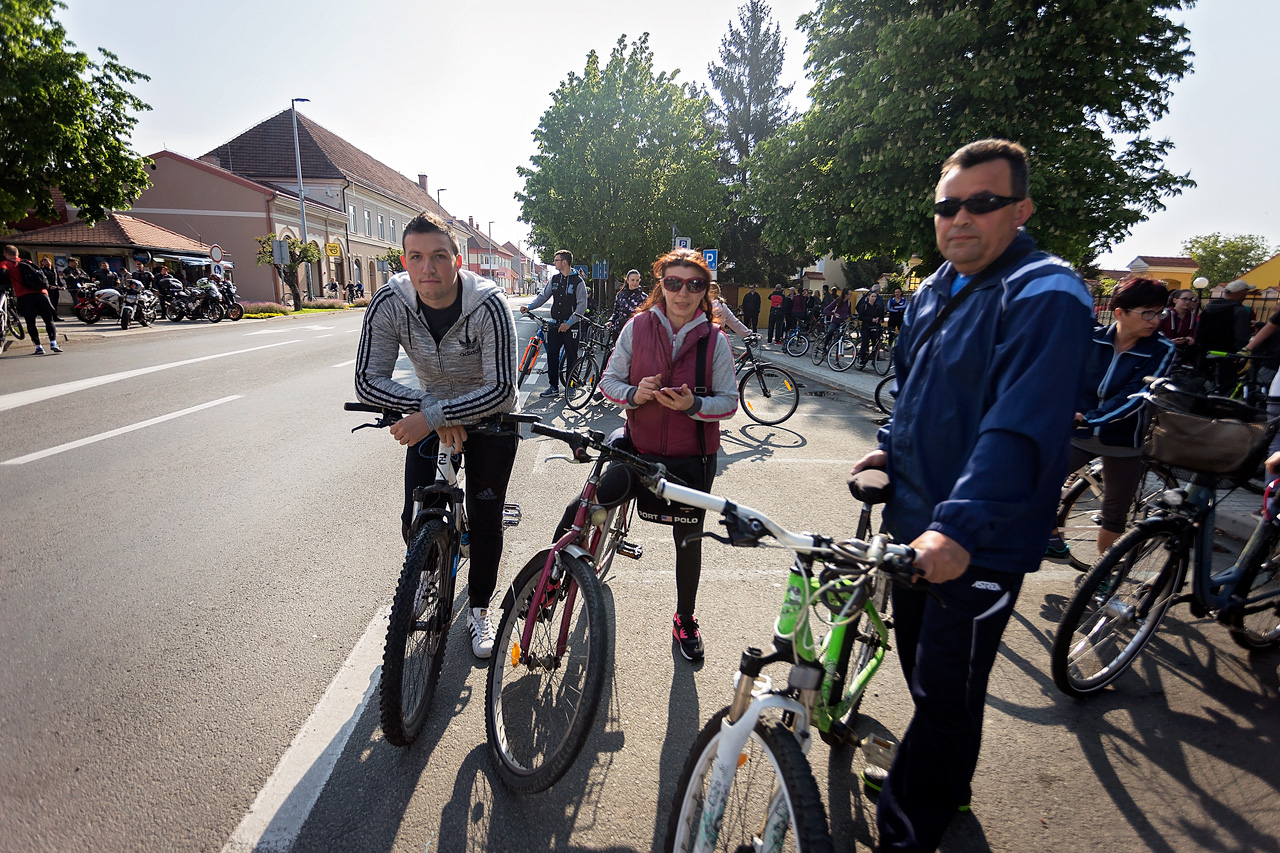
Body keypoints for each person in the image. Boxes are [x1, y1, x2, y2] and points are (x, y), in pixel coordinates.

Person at [849, 139, 1092, 850]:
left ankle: (908, 828)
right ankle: (945, 783)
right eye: (947, 206)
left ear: (1021, 208)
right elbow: (917, 392)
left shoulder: (1048, 291)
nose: (961, 218)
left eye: (982, 203)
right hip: (913, 527)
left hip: (976, 541)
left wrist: (955, 527)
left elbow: (1019, 426)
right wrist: (890, 449)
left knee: (946, 691)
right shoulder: (933, 290)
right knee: (929, 677)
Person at [355, 213, 519, 658]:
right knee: (417, 512)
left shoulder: (488, 305)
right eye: (417, 257)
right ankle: (427, 566)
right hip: (430, 408)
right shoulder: (390, 301)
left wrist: (433, 416)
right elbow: (367, 380)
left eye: (439, 256)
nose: (428, 267)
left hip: (491, 418)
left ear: (457, 260)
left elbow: (503, 389)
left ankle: (480, 610)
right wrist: (433, 412)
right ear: (405, 261)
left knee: (486, 521)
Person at [598, 248, 738, 660]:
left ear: (705, 291)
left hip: (690, 459)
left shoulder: (715, 340)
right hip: (638, 451)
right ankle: (556, 581)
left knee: (687, 541)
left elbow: (728, 402)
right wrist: (633, 394)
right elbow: (608, 380)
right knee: (589, 505)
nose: (682, 292)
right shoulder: (638, 326)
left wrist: (694, 406)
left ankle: (685, 617)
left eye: (694, 284)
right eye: (673, 282)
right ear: (661, 285)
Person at [1044, 278, 1176, 563]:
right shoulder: (1089, 338)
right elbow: (1063, 377)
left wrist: (1089, 418)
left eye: (1160, 313)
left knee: (1115, 512)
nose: (1155, 321)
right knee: (1037, 478)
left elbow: (1137, 395)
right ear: (1120, 313)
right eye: (1147, 313)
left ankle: (1104, 576)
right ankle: (1051, 539)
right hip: (1079, 432)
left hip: (1124, 439)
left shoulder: (1161, 349)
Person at [521, 249, 586, 398]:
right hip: (555, 325)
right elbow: (543, 296)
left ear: (564, 262)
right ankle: (553, 387)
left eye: (556, 260)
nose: (554, 263)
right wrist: (529, 307)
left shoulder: (578, 282)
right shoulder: (555, 279)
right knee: (551, 354)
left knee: (571, 356)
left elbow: (582, 306)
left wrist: (569, 323)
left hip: (571, 326)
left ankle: (571, 386)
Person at [2, 246, 62, 354]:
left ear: (5, 253)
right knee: (48, 319)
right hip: (42, 293)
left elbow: (2, 273)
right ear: (18, 253)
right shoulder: (28, 262)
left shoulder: (5, 263)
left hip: (24, 295)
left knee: (30, 321)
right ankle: (53, 342)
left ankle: (39, 347)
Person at [608, 268, 648, 340]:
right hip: (619, 331)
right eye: (632, 280)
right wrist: (610, 321)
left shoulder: (644, 297)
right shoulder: (620, 295)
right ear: (627, 280)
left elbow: (647, 315)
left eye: (637, 280)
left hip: (635, 332)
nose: (635, 283)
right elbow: (615, 312)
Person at [1158, 288, 1198, 359]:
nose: (1187, 302)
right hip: (1161, 350)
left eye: (1191, 299)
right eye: (1184, 299)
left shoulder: (1192, 317)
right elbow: (1154, 332)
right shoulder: (1165, 314)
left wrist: (1190, 338)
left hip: (1180, 352)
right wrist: (1168, 341)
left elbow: (1194, 332)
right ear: (1175, 300)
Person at [855, 288, 886, 368]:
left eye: (875, 296)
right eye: (872, 296)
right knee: (865, 342)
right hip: (866, 326)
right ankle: (862, 359)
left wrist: (879, 319)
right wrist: (871, 319)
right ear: (868, 297)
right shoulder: (864, 306)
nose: (874, 298)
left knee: (875, 343)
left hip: (874, 327)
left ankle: (874, 360)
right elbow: (861, 317)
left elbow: (880, 316)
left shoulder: (877, 307)